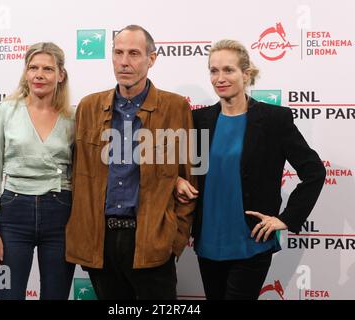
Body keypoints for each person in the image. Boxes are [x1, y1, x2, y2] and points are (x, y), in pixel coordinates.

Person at [174, 39, 326, 300]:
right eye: (214, 70)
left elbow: (314, 172)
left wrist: (286, 218)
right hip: (208, 243)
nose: (220, 78)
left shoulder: (274, 120)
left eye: (228, 70)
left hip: (251, 242)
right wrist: (176, 179)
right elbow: (179, 167)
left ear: (246, 74)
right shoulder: (199, 121)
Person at [65, 25, 196, 300]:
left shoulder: (175, 107)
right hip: (100, 242)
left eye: (134, 53)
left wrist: (174, 239)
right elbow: (78, 173)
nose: (124, 62)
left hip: (151, 239)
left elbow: (189, 180)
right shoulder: (88, 107)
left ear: (152, 59)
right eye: (118, 53)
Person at [0, 42, 76, 300]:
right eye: (33, 67)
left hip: (60, 214)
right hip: (12, 214)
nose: (39, 74)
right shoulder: (5, 111)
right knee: (7, 295)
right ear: (25, 72)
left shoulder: (74, 116)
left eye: (47, 69)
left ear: (60, 75)